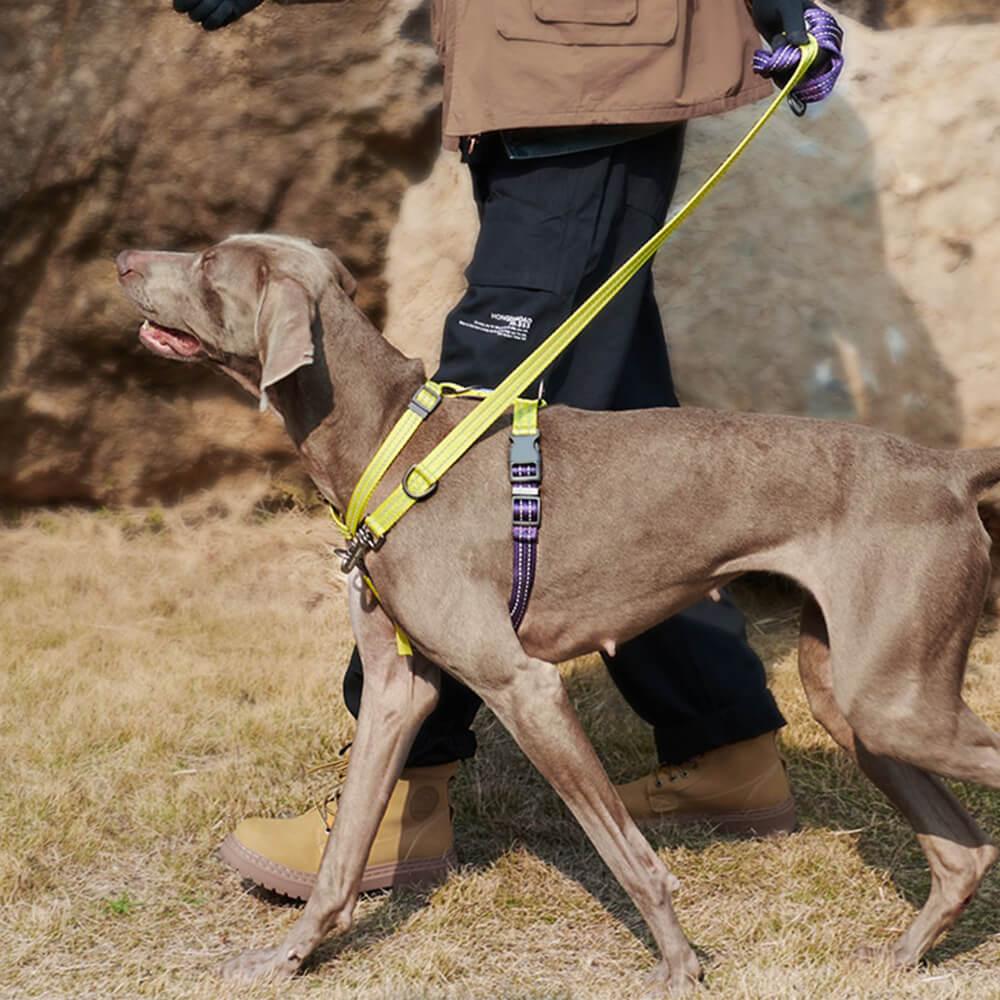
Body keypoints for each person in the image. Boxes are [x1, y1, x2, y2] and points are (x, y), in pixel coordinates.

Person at [174, 0, 812, 900]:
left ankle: (403, 793)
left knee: (465, 426)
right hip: (557, 66)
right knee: (604, 394)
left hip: (584, 62)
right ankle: (726, 742)